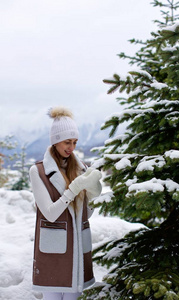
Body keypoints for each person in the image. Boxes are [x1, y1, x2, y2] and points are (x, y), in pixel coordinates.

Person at [29, 107, 102, 300]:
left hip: (77, 252)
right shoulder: (38, 172)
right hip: (53, 251)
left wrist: (93, 196)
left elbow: (84, 216)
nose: (71, 147)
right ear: (55, 141)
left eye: (75, 142)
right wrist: (74, 189)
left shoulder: (81, 169)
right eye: (67, 142)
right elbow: (50, 214)